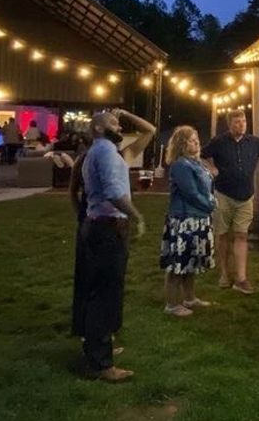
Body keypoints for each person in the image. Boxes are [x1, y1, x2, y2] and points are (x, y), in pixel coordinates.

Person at [74, 110, 152, 382]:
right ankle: (100, 363)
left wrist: (126, 115)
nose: (118, 125)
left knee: (103, 291)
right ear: (97, 127)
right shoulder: (105, 152)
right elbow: (113, 193)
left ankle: (98, 346)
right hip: (107, 227)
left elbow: (149, 130)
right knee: (105, 294)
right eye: (112, 121)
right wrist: (137, 216)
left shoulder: (107, 151)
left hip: (101, 226)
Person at [200, 109, 259, 294]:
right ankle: (225, 273)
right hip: (223, 195)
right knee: (223, 235)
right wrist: (211, 167)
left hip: (245, 197)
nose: (241, 124)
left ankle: (242, 278)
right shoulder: (219, 142)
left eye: (243, 121)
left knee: (241, 235)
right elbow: (201, 155)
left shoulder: (254, 142)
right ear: (229, 124)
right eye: (237, 122)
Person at [160, 126, 216, 317]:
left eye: (197, 139)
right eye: (191, 140)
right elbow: (191, 193)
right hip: (184, 219)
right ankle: (172, 304)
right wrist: (210, 205)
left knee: (192, 262)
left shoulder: (197, 163)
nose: (196, 143)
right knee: (178, 264)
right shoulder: (181, 165)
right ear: (181, 144)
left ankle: (189, 298)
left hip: (198, 218)